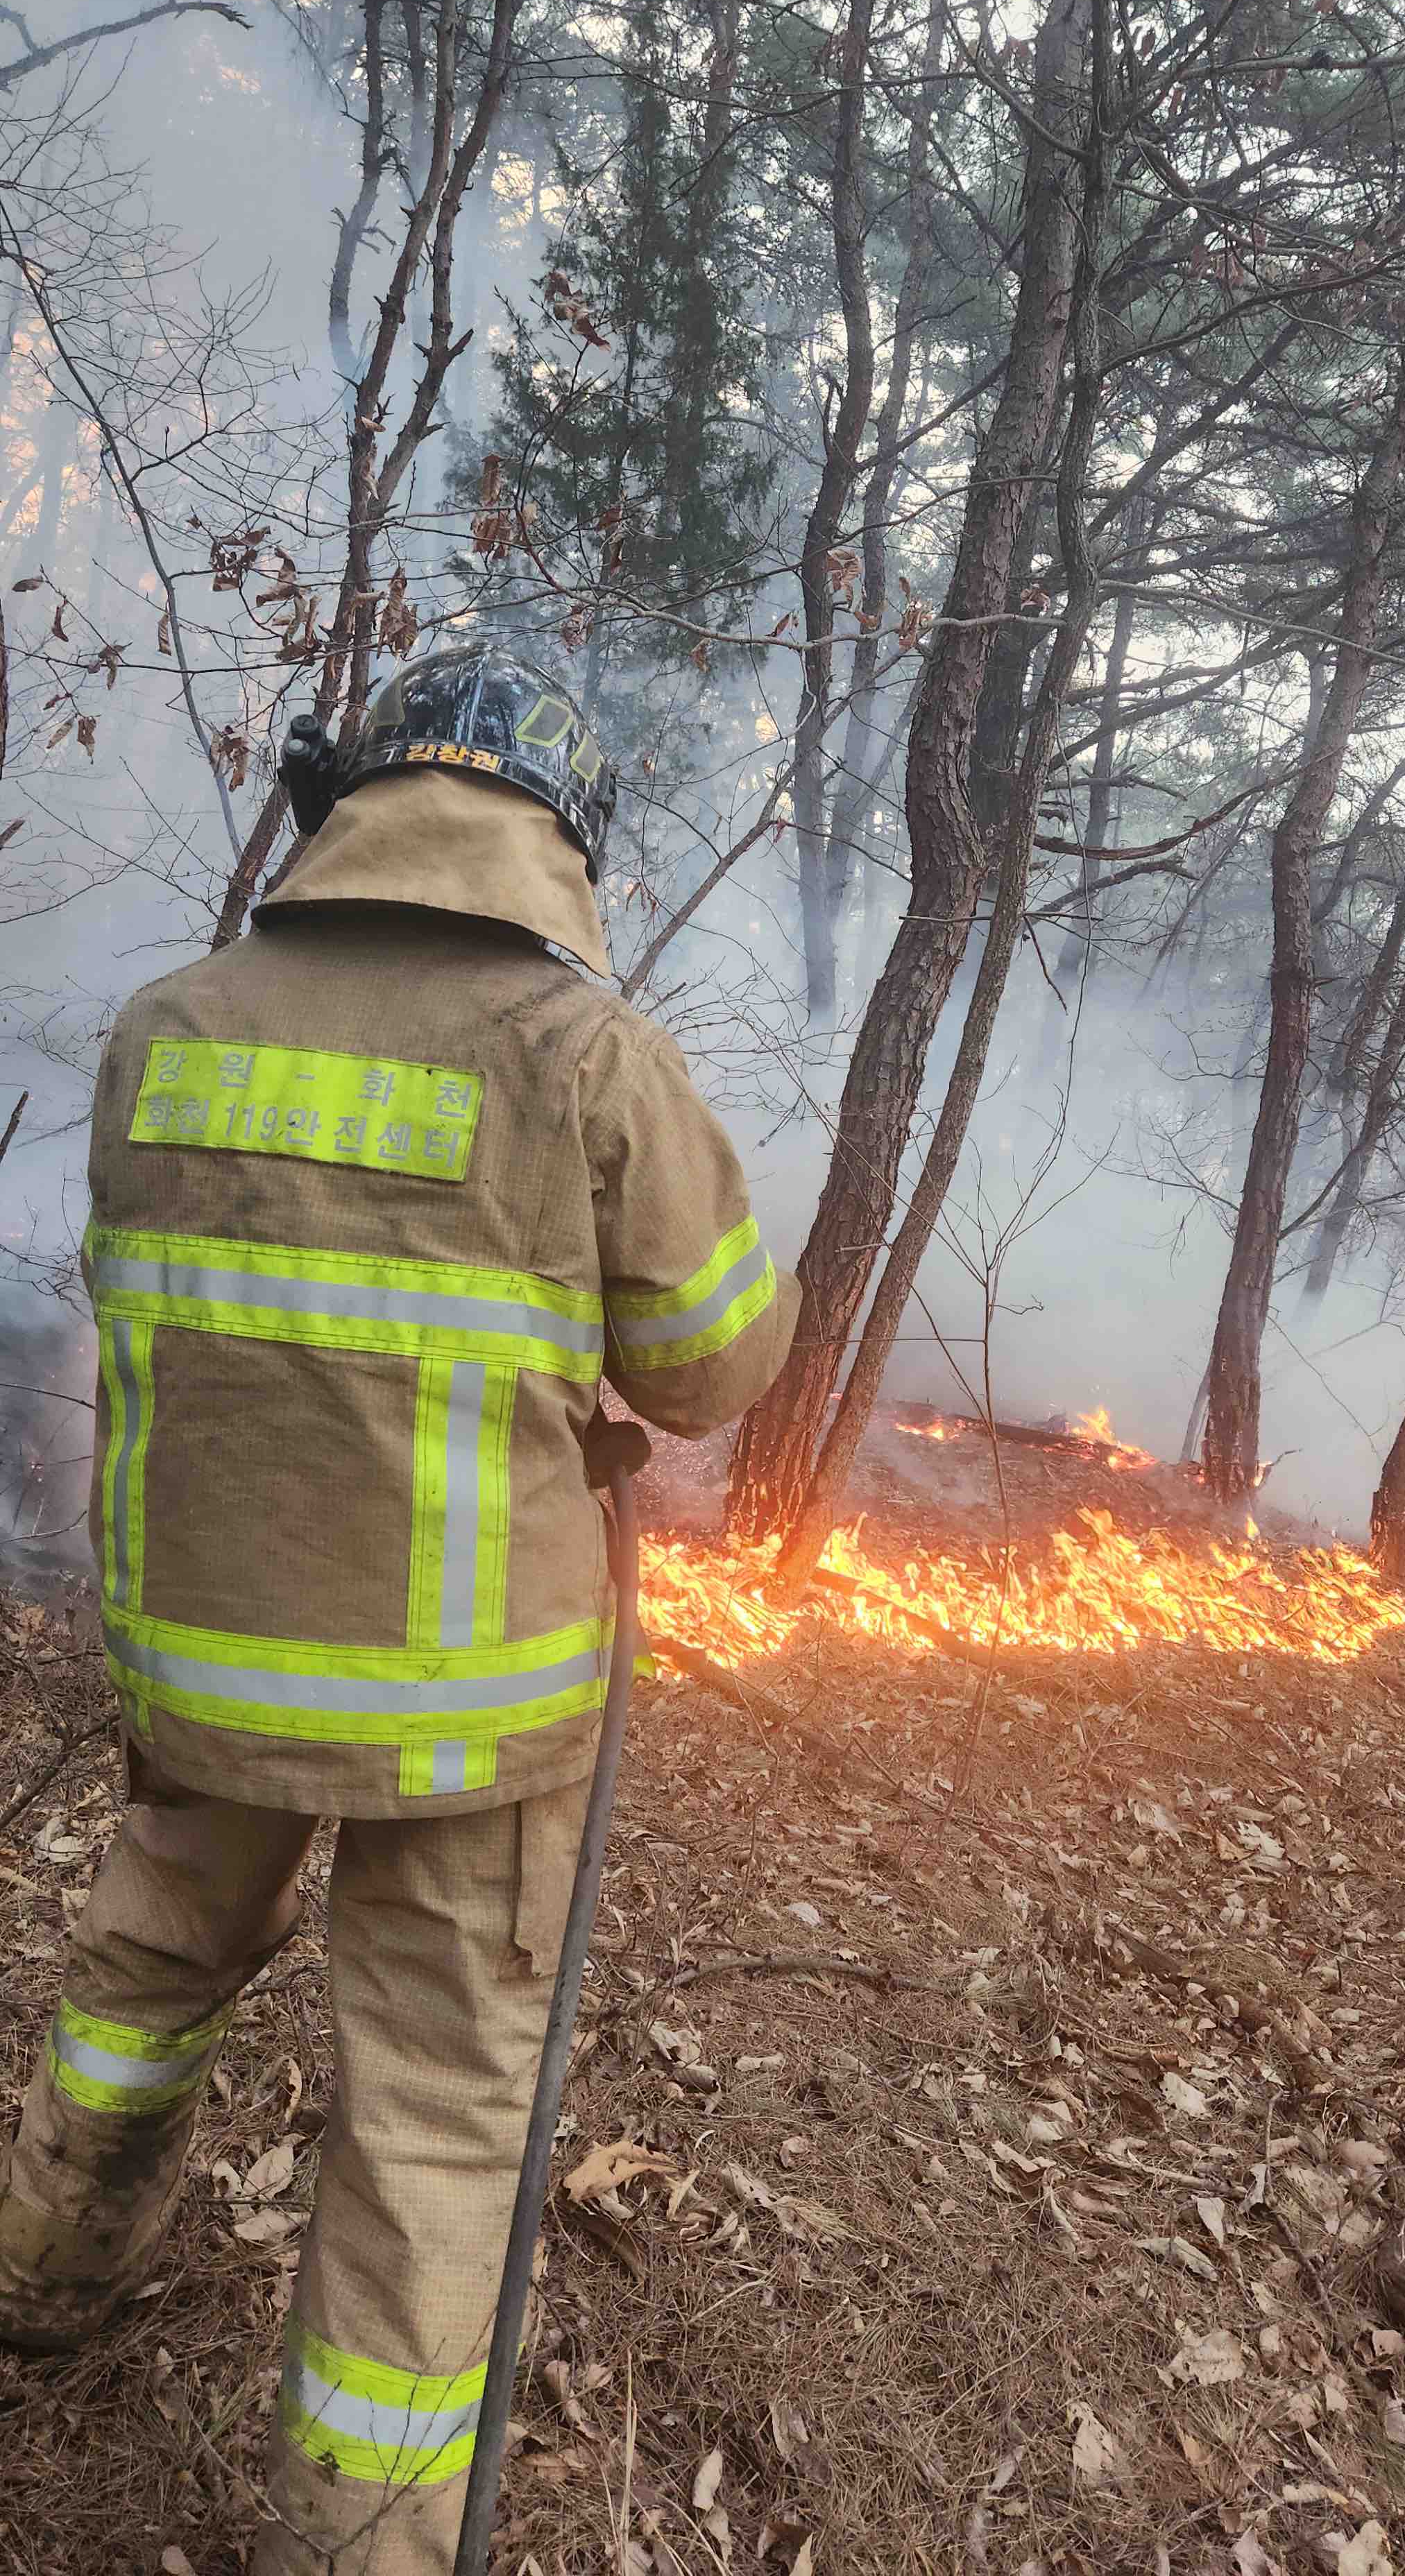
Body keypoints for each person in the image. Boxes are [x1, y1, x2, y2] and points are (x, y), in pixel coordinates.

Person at [0, 638, 799, 2573]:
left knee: (140, 1982)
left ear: (349, 804)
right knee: (436, 2116)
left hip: (205, 1658)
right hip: (466, 1708)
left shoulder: (166, 1026)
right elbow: (713, 1369)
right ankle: (354, 2539)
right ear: (555, 841)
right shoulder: (581, 1057)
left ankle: (43, 2275)